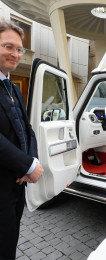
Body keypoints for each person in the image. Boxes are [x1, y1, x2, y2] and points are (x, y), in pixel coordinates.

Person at [0, 19, 44, 260]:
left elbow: (27, 129)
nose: (15, 54)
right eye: (8, 47)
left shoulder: (13, 87)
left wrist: (33, 160)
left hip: (16, 187)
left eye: (19, 49)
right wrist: (27, 165)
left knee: (10, 242)